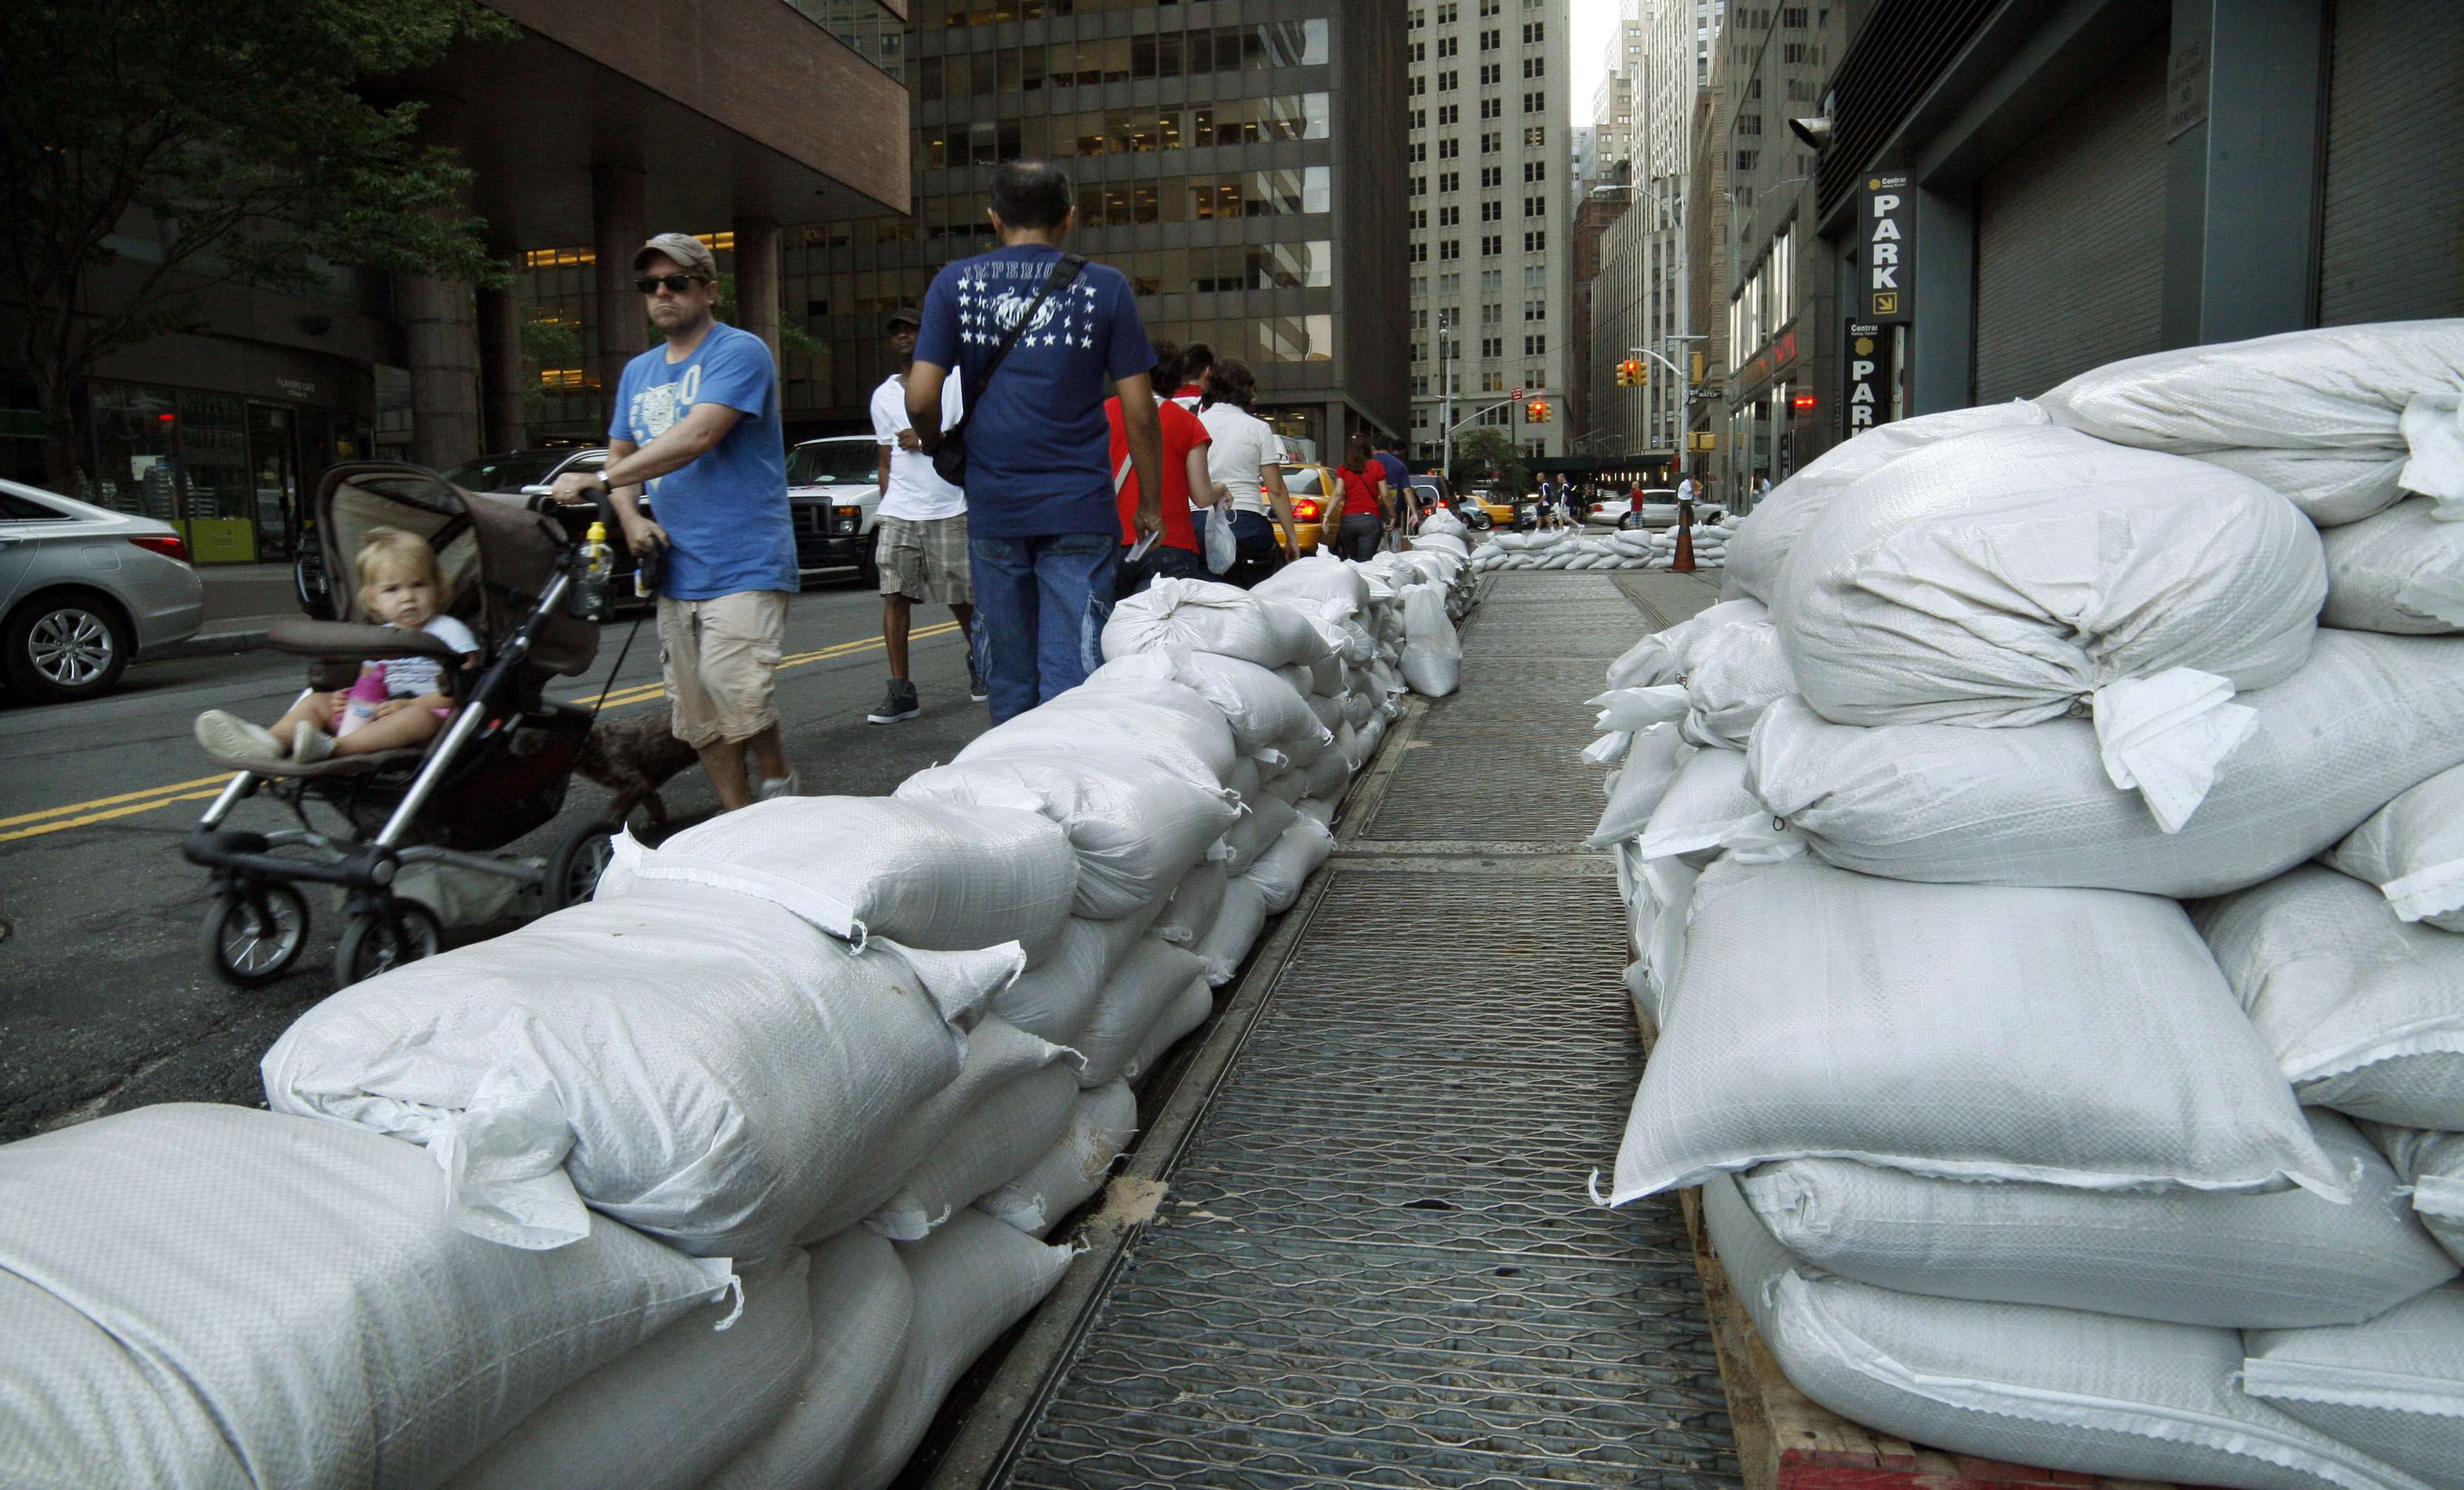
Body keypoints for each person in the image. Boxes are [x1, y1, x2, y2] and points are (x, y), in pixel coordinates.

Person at [906, 160, 1164, 724]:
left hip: (995, 503)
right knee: (1073, 666)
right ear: (1069, 219)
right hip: (1080, 503)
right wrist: (1149, 500)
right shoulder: (1106, 287)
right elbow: (1141, 412)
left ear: (993, 217)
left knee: (1010, 670)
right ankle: (1071, 786)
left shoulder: (955, 283)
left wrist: (934, 445)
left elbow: (922, 397)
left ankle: (1016, 795)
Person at [551, 232, 798, 812]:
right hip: (675, 565)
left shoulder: (739, 352)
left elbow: (699, 435)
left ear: (709, 291)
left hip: (745, 557)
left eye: (676, 282)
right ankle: (739, 819)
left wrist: (603, 484)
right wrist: (632, 520)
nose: (662, 293)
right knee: (698, 715)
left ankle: (777, 774)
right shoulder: (638, 372)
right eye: (650, 285)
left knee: (731, 682)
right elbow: (621, 455)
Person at [195, 526, 477, 763]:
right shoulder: (380, 638)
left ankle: (334, 748)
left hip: (425, 716)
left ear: (438, 586)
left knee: (417, 718)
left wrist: (411, 704)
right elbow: (369, 684)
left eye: (419, 585)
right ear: (373, 600)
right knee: (317, 701)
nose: (408, 598)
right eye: (393, 590)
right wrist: (349, 697)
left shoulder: (449, 630)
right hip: (372, 714)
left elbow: (465, 688)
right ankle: (271, 742)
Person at [867, 306, 979, 725]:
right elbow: (884, 458)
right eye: (895, 331)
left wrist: (931, 435)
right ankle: (901, 692)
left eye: (911, 330)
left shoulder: (953, 383)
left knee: (961, 597)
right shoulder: (884, 395)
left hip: (949, 503)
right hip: (901, 510)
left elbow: (974, 434)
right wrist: (886, 504)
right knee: (893, 596)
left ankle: (980, 659)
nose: (902, 336)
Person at [1107, 341, 1220, 596]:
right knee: (1164, 631)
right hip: (1170, 543)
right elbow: (1201, 496)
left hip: (1109, 543)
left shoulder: (1102, 414)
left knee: (1106, 630)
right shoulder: (1187, 422)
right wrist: (1221, 489)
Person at [1195, 360, 1300, 586]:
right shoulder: (1257, 428)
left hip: (1198, 524)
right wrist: (1292, 538)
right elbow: (1276, 490)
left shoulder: (1195, 423)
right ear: (1246, 390)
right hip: (1246, 524)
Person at [1332, 435, 1391, 562]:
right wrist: (1393, 514)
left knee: (1353, 559)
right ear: (1368, 449)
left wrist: (1327, 514)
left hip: (1348, 520)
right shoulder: (1377, 466)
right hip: (1370, 519)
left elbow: (1337, 493)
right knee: (1366, 561)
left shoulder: (1344, 468)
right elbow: (1385, 494)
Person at [1372, 436, 1414, 549]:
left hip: (1371, 512)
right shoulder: (1399, 465)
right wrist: (1414, 512)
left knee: (1375, 549)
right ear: (1389, 447)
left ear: (1373, 447)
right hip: (1395, 510)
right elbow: (1407, 490)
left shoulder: (1367, 464)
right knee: (1394, 546)